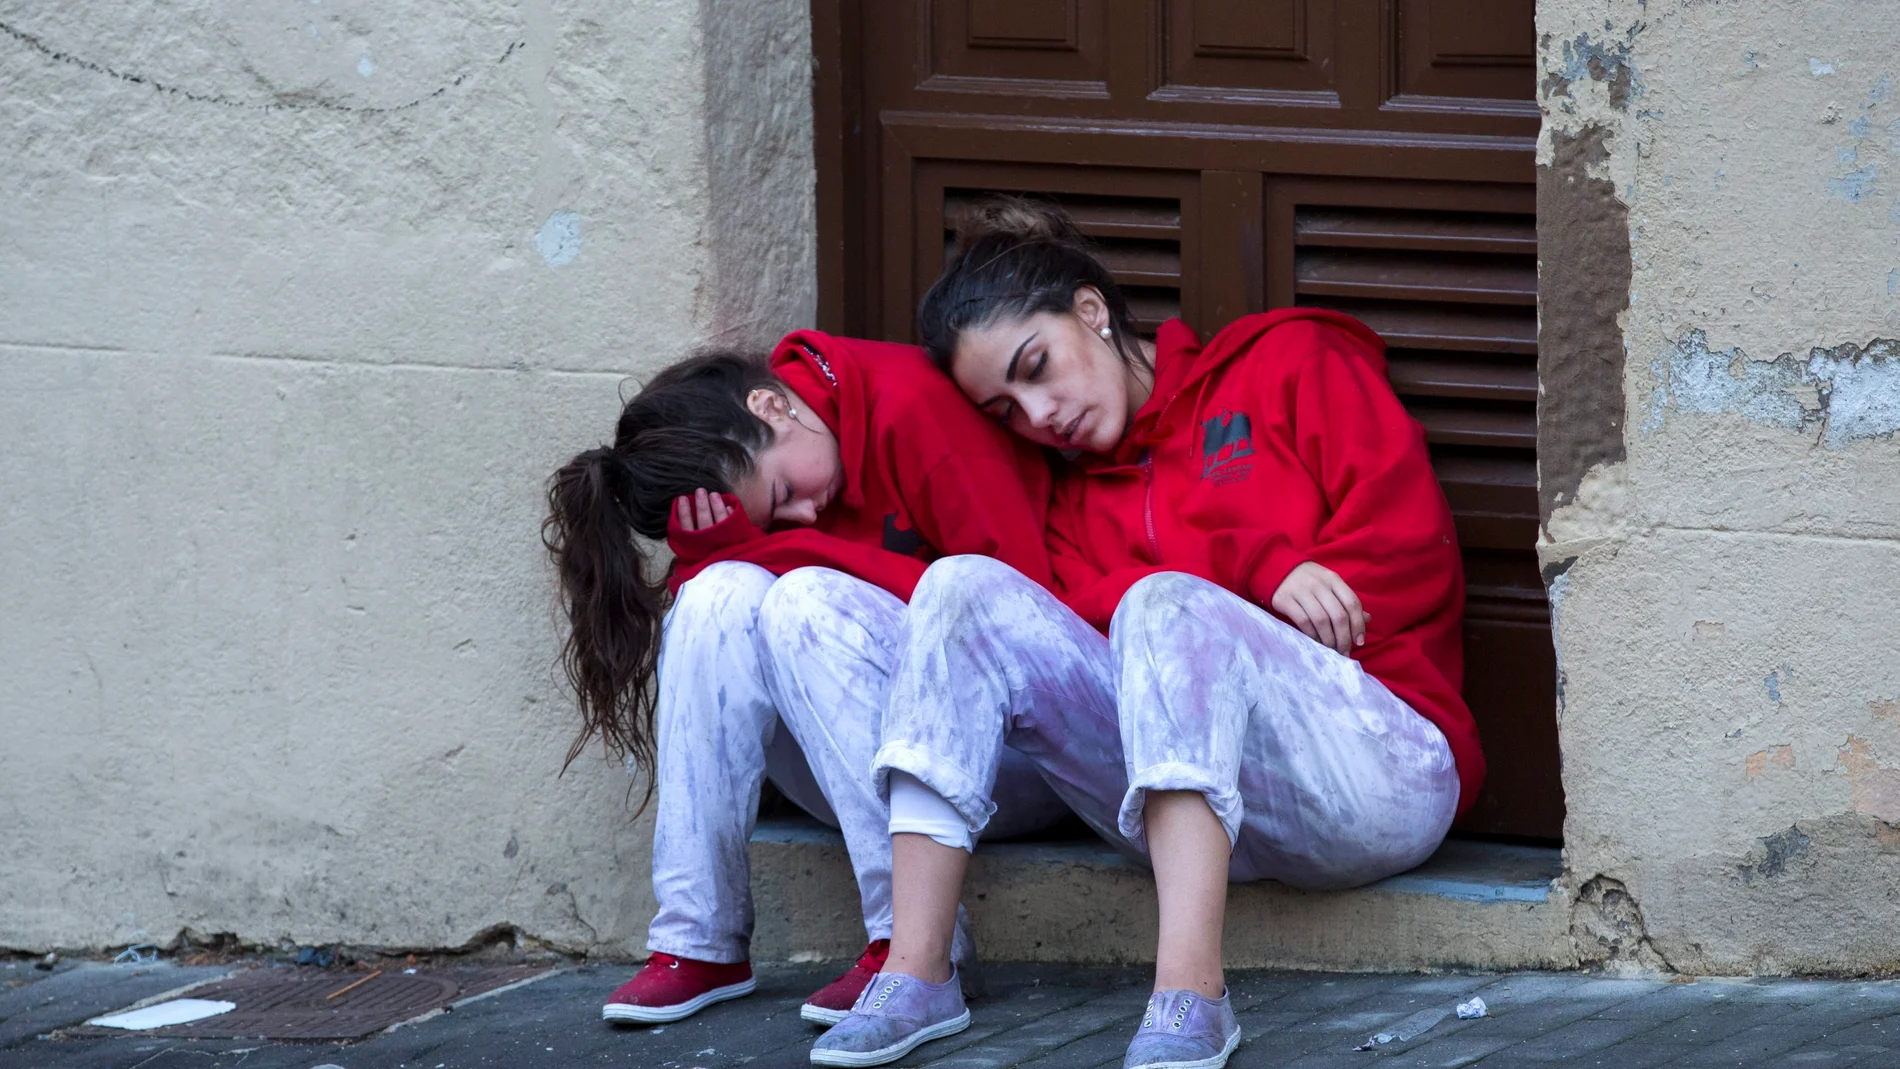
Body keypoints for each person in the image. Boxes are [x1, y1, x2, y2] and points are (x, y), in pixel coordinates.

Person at [808, 200, 1485, 1069]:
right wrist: (1249, 574)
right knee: (961, 585)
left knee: (1167, 602)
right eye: (1005, 409)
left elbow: (1412, 547)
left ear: (1091, 310)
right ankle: (918, 969)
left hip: (1377, 766)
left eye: (1037, 366)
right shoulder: (1073, 508)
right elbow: (1097, 621)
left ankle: (1188, 996)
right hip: (1193, 813)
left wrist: (1255, 570)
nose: (1038, 414)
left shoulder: (1283, 363)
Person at [542, 332, 1071, 1029]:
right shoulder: (797, 449)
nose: (803, 513)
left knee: (800, 596)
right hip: (870, 768)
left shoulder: (914, 413)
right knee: (715, 594)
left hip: (1007, 758)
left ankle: (913, 940)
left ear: (771, 405)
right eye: (778, 513)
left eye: (785, 491)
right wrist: (722, 562)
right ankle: (698, 939)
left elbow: (1016, 615)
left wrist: (779, 548)